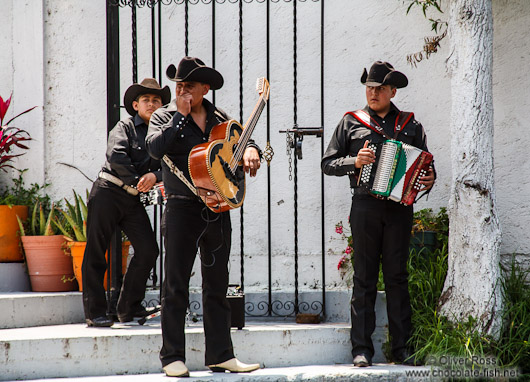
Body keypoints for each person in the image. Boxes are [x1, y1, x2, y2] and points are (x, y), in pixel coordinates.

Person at [146, 57, 261, 378]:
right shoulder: (164, 116)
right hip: (182, 207)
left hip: (218, 209)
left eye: (189, 86)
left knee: (217, 284)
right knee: (176, 285)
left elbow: (239, 139)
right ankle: (172, 357)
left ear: (205, 88)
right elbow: (154, 150)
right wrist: (180, 118)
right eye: (178, 85)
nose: (182, 90)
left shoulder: (220, 118)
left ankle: (221, 355)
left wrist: (251, 149)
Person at [321, 61, 435, 367]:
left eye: (380, 88)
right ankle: (361, 349)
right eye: (369, 88)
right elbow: (327, 163)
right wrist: (354, 162)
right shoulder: (351, 122)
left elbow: (424, 165)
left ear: (392, 91)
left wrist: (428, 178)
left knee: (398, 277)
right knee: (364, 277)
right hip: (365, 206)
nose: (373, 93)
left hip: (399, 208)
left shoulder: (411, 125)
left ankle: (404, 348)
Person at [82, 78, 171, 327]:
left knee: (148, 249)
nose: (152, 104)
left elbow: (172, 166)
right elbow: (116, 155)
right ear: (135, 105)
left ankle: (127, 309)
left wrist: (156, 176)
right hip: (108, 191)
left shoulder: (163, 134)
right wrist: (137, 180)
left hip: (131, 199)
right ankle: (95, 312)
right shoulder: (125, 126)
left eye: (157, 100)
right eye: (146, 100)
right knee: (97, 251)